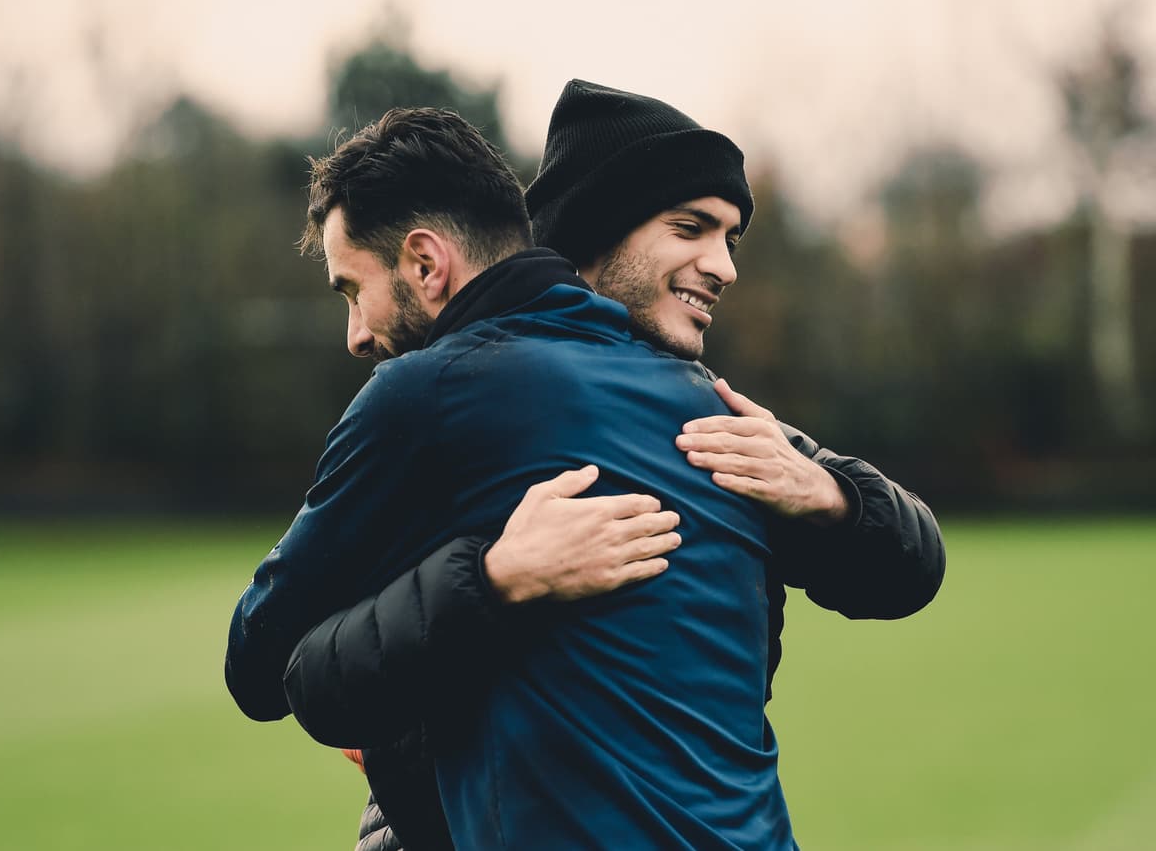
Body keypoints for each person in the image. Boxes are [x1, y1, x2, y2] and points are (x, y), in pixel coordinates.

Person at [228, 85, 944, 850]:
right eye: (691, 228)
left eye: (728, 237)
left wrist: (829, 493)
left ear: (427, 263)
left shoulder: (724, 424)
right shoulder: (682, 406)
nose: (726, 267)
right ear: (597, 235)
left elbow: (276, 669)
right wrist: (493, 580)